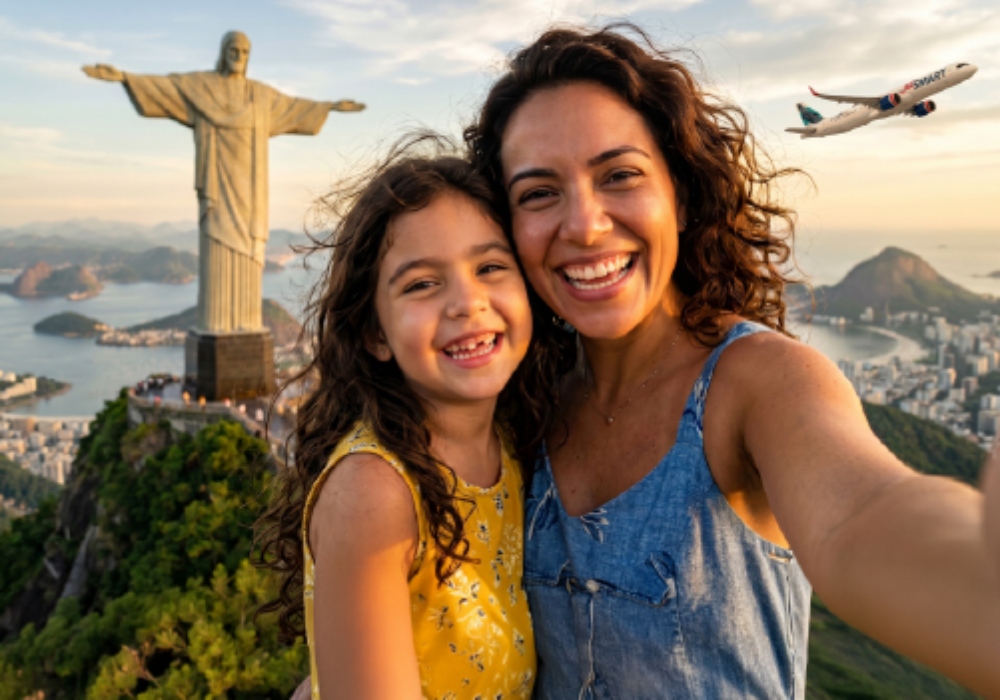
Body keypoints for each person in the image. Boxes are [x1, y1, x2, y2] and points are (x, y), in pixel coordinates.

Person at [462, 24, 1000, 699]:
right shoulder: (520, 407)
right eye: (539, 193)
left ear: (680, 195)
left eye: (620, 175)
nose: (585, 224)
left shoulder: (759, 383)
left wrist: (979, 577)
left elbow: (859, 519)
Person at [255, 140, 565, 699]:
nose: (467, 302)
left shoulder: (514, 443)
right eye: (422, 283)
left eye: (491, 266)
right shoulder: (374, 494)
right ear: (375, 333)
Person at [82, 31, 364, 333]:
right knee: (218, 248)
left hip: (250, 192)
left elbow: (294, 108)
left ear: (249, 56)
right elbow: (167, 88)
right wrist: (126, 78)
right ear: (223, 51)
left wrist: (329, 107)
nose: (238, 56)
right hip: (217, 184)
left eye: (244, 51)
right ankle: (217, 322)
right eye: (233, 49)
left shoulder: (260, 96)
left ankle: (247, 322)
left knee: (247, 252)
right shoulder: (203, 87)